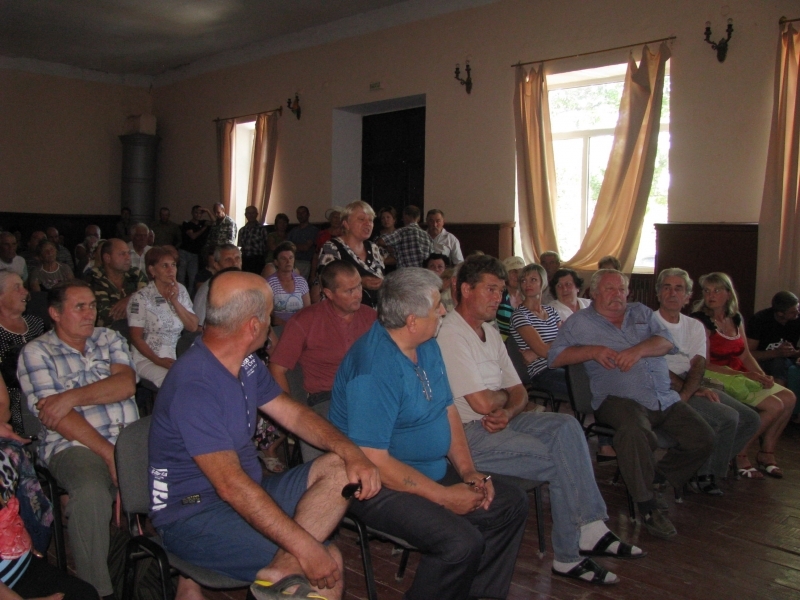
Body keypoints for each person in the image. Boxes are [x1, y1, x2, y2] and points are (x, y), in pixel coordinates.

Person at [148, 270, 380, 600]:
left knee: (340, 467)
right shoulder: (195, 385)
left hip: (248, 489)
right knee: (325, 565)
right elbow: (231, 486)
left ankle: (280, 568)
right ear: (253, 326)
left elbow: (294, 413)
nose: (273, 322)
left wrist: (351, 452)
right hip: (193, 516)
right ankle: (285, 567)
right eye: (269, 313)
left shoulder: (245, 361)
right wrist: (306, 549)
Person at [438, 256, 640, 585]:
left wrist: (507, 407)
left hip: (502, 422)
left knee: (567, 426)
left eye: (502, 291)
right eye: (490, 290)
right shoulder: (451, 334)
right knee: (559, 460)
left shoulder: (489, 331)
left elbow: (519, 391)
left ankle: (590, 526)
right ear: (465, 289)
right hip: (468, 436)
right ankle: (568, 555)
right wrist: (502, 400)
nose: (498, 298)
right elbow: (482, 401)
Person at [329, 268, 528, 600]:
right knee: (460, 542)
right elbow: (372, 460)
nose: (444, 311)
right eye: (437, 306)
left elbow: (446, 408)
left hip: (431, 470)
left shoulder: (427, 344)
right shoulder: (374, 369)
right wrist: (444, 497)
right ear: (411, 320)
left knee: (509, 503)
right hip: (375, 485)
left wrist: (467, 472)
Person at [549, 269, 714, 539]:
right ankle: (648, 506)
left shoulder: (642, 313)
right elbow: (554, 357)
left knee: (703, 438)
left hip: (662, 396)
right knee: (635, 432)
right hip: (617, 399)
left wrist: (637, 350)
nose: (617, 295)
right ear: (594, 293)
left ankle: (656, 478)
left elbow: (666, 342)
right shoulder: (580, 323)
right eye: (610, 289)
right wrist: (592, 351)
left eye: (622, 289)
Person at [18, 280, 139, 599]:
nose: (90, 313)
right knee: (90, 492)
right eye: (79, 307)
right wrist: (110, 454)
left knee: (185, 470)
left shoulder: (110, 337)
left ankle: (179, 575)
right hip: (74, 445)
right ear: (55, 313)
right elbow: (58, 417)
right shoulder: (36, 352)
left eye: (92, 306)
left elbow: (125, 386)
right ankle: (95, 590)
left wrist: (68, 397)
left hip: (129, 439)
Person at [655, 268, 760, 493]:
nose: (672, 293)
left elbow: (699, 363)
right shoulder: (649, 322)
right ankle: (706, 476)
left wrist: (692, 389)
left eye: (679, 288)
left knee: (751, 419)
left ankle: (703, 466)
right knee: (727, 417)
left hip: (691, 382)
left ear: (687, 296)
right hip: (665, 384)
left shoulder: (693, 325)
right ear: (658, 293)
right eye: (667, 287)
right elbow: (655, 366)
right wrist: (686, 393)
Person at [691, 272, 796, 479]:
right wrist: (749, 376)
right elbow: (704, 363)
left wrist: (761, 375)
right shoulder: (701, 321)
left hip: (740, 372)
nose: (711, 295)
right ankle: (740, 452)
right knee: (774, 405)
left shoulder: (735, 318)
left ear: (728, 294)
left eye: (717, 290)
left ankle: (767, 452)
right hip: (717, 375)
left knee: (789, 398)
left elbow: (745, 354)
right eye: (707, 291)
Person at [270, 261, 376, 408]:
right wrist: (291, 414)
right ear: (329, 294)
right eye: (349, 291)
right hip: (328, 397)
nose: (358, 294)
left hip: (370, 393)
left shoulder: (371, 316)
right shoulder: (305, 321)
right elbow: (277, 369)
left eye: (359, 286)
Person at [127, 247, 198, 388]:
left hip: (177, 354)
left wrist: (175, 301)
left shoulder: (181, 290)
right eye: (164, 266)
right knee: (176, 384)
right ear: (152, 271)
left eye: (173, 265)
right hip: (148, 358)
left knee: (199, 379)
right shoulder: (140, 298)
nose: (171, 270)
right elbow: (136, 338)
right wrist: (158, 360)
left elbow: (193, 326)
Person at [508, 263, 568, 395]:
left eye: (533, 280)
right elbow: (545, 351)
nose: (527, 284)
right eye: (523, 281)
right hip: (543, 372)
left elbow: (568, 340)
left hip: (564, 362)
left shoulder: (551, 311)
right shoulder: (520, 315)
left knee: (593, 375)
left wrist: (535, 353)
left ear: (543, 283)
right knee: (585, 387)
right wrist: (540, 351)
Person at [0, 272, 45, 436]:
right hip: (10, 399)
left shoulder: (37, 324)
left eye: (23, 287)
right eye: (16, 288)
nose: (25, 292)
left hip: (43, 392)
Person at [317, 201, 384, 308]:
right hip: (343, 313)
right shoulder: (333, 247)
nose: (368, 224)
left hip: (374, 314)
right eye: (361, 219)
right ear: (346, 224)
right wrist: (360, 282)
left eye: (371, 220)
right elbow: (328, 282)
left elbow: (380, 276)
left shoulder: (374, 247)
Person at [86, 238, 148, 327]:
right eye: (122, 254)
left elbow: (150, 303)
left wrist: (131, 299)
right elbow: (103, 317)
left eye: (128, 253)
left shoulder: (136, 274)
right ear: (107, 258)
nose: (128, 258)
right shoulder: (94, 277)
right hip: (106, 335)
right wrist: (137, 305)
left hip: (137, 332)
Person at [747, 291, 800, 384]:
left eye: (798, 308)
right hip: (765, 360)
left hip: (790, 359)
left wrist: (794, 353)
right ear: (780, 313)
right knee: (779, 363)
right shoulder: (759, 320)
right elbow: (749, 354)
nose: (797, 313)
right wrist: (776, 353)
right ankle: (779, 394)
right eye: (792, 312)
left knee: (781, 362)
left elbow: (795, 353)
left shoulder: (797, 318)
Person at [193, 244, 242, 326]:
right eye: (228, 260)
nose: (234, 263)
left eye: (237, 258)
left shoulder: (242, 285)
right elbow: (199, 327)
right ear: (217, 266)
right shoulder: (209, 289)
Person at [265, 242, 310, 328]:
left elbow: (307, 309)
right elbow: (269, 314)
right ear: (276, 262)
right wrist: (288, 326)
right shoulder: (269, 283)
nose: (288, 261)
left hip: (300, 327)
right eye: (283, 259)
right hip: (277, 328)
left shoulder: (301, 282)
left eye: (291, 258)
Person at [178, 205, 210, 292]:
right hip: (184, 252)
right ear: (192, 213)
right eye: (196, 212)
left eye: (200, 213)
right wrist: (204, 228)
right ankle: (180, 294)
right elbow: (193, 236)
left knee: (193, 277)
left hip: (195, 254)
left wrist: (207, 210)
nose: (198, 215)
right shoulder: (187, 223)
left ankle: (190, 297)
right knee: (181, 276)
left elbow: (215, 222)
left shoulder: (203, 222)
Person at [495, 256, 524, 341]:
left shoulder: (527, 296)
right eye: (514, 272)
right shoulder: (498, 297)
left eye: (521, 272)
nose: (518, 275)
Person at [287, 206, 319, 281]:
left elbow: (305, 247)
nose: (300, 215)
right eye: (298, 213)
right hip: (292, 262)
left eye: (303, 213)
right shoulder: (293, 231)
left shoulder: (313, 230)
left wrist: (293, 245)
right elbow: (287, 247)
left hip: (306, 262)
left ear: (308, 215)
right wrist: (298, 246)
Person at [238, 205, 268, 275]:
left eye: (253, 213)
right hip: (245, 260)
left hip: (258, 260)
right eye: (248, 213)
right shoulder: (242, 230)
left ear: (257, 214)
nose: (251, 215)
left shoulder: (262, 229)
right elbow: (240, 246)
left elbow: (267, 246)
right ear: (245, 215)